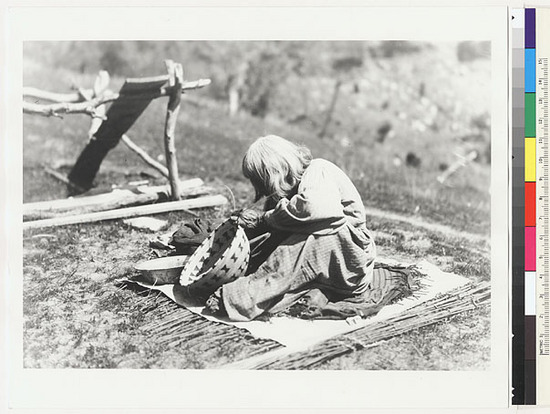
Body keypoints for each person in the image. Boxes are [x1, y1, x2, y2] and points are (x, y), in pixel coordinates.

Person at [205, 135, 408, 321]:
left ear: (276, 172)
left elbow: (319, 210)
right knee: (277, 248)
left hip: (351, 260)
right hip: (332, 266)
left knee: (296, 249)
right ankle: (289, 292)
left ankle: (236, 299)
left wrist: (264, 220)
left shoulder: (317, 170)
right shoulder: (292, 189)